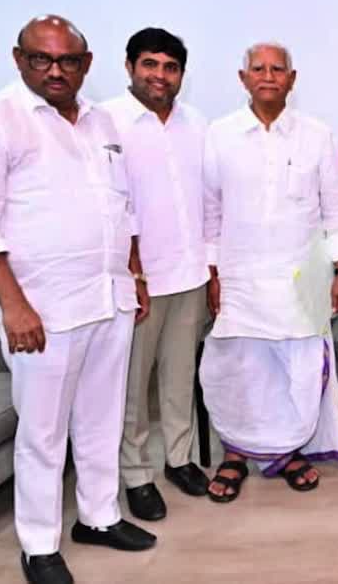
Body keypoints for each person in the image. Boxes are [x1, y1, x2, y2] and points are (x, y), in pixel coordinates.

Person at [0, 15, 156, 584]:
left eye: (68, 60)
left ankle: (99, 515)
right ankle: (39, 544)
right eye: (42, 59)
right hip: (41, 308)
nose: (55, 70)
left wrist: (132, 276)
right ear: (19, 59)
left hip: (107, 298)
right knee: (43, 431)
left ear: (86, 64)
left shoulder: (101, 121)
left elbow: (122, 207)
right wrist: (13, 306)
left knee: (100, 418)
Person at [200, 42, 338, 502]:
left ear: (292, 78)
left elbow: (335, 210)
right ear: (242, 77)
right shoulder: (219, 134)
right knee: (240, 369)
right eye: (258, 68)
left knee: (299, 369)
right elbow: (210, 211)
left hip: (300, 275)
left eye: (277, 69)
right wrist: (212, 272)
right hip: (240, 274)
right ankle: (234, 453)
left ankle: (288, 450)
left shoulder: (316, 134)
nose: (268, 76)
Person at [100, 28, 211, 521]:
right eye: (150, 65)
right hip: (137, 279)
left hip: (189, 273)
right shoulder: (106, 123)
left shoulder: (196, 124)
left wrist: (211, 266)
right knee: (132, 385)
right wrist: (133, 269)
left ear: (181, 75)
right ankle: (136, 475)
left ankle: (179, 459)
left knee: (179, 376)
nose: (159, 76)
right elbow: (110, 204)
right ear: (129, 67)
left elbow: (208, 201)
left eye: (170, 68)